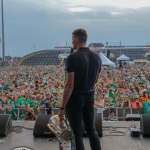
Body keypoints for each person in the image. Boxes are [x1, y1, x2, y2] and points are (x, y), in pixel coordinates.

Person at [58, 29, 101, 150]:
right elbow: (96, 79)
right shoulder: (97, 57)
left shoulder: (72, 57)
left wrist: (62, 107)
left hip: (75, 99)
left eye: (72, 39)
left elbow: (69, 85)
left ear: (76, 40)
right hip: (89, 97)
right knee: (91, 130)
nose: (72, 42)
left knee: (77, 134)